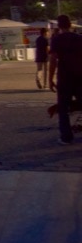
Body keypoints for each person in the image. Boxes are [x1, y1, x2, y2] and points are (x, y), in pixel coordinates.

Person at [48, 14, 82, 145]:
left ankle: (66, 136)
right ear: (70, 25)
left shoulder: (56, 39)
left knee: (63, 108)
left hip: (65, 77)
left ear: (58, 25)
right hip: (80, 77)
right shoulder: (79, 38)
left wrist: (50, 79)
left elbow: (53, 60)